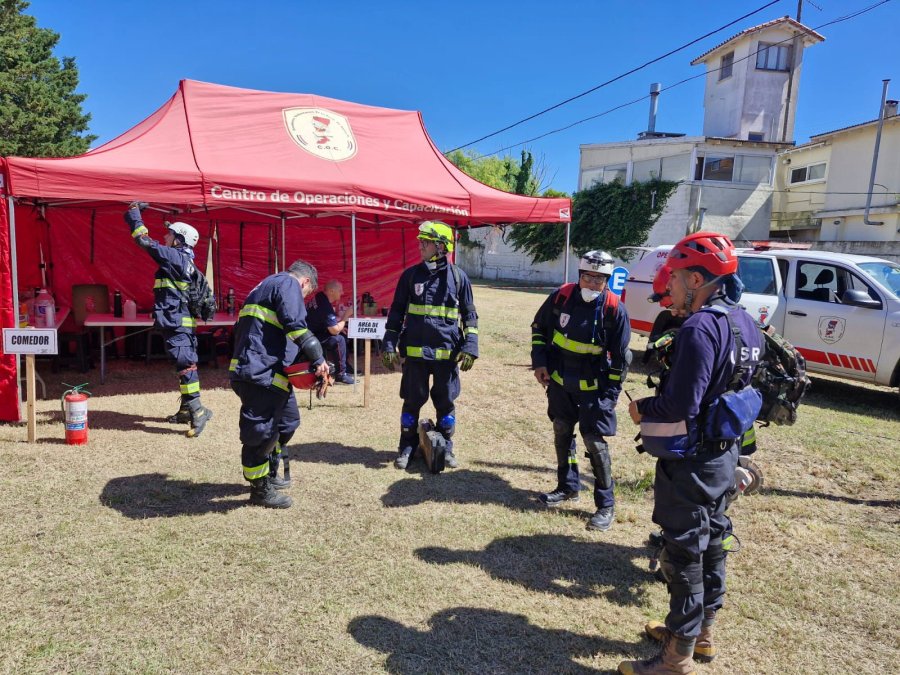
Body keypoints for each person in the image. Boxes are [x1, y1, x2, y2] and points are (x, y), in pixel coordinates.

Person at [620, 232, 763, 675]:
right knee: (714, 543)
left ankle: (675, 659)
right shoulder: (746, 322)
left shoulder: (701, 326)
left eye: (678, 278)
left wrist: (642, 409)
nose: (671, 287)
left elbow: (681, 404)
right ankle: (701, 635)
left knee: (684, 554)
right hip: (725, 458)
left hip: (694, 463)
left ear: (698, 279)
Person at [530, 250, 631, 531]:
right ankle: (568, 486)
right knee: (562, 431)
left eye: (599, 279)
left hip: (594, 391)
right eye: (587, 277)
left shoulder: (614, 310)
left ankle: (605, 505)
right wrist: (540, 363)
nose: (592, 284)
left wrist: (609, 399)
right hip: (560, 384)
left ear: (607, 281)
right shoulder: (561, 298)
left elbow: (621, 361)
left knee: (594, 444)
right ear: (579, 276)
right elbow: (539, 329)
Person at [229, 259, 329, 508]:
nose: (303, 299)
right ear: (305, 282)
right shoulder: (288, 283)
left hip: (269, 372)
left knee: (287, 422)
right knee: (260, 434)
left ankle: (269, 469)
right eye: (307, 293)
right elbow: (296, 327)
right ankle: (260, 490)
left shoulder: (265, 286)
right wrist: (319, 360)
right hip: (260, 373)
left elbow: (277, 333)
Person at [381, 220, 478, 470]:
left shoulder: (458, 277)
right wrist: (389, 344)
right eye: (420, 241)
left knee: (445, 402)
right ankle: (407, 445)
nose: (420, 245)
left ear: (441, 246)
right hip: (415, 353)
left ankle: (445, 447)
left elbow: (469, 316)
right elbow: (395, 314)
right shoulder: (410, 276)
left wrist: (471, 346)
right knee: (412, 401)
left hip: (447, 355)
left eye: (425, 241)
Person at [124, 202, 213, 437]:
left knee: (185, 365)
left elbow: (144, 241)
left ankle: (197, 409)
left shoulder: (175, 257)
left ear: (179, 240)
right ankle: (186, 409)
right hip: (176, 323)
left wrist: (134, 215)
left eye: (170, 234)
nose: (165, 236)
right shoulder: (182, 260)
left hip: (177, 324)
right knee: (181, 364)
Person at [306, 279, 355, 384]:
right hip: (310, 337)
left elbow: (323, 320)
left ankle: (346, 367)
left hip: (311, 332)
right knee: (339, 339)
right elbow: (334, 330)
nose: (342, 293)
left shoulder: (320, 297)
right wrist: (346, 316)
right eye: (340, 290)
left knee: (341, 333)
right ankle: (341, 375)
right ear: (332, 291)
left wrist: (340, 327)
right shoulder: (325, 305)